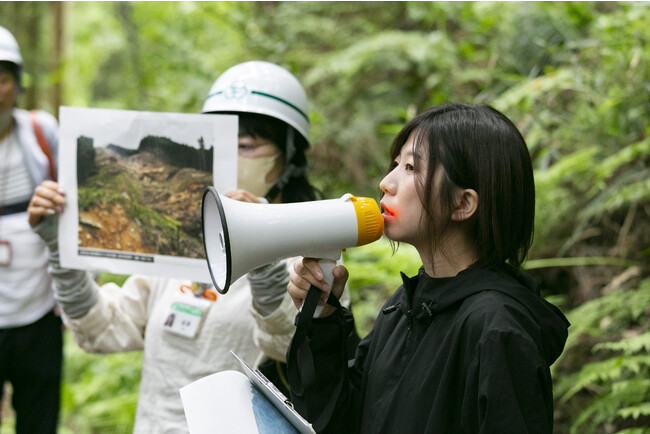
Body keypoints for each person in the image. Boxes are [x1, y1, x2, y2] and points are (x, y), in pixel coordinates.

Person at [27, 61, 331, 432]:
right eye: (221, 141)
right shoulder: (181, 241)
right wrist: (61, 251)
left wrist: (264, 255)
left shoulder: (311, 251)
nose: (231, 156)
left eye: (247, 144)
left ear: (289, 155)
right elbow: (103, 329)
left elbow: (296, 349)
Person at [286, 103, 571, 433]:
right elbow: (343, 422)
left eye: (410, 168)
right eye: (396, 164)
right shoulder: (404, 307)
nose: (386, 182)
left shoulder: (498, 329)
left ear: (462, 203)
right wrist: (323, 318)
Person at [0, 25, 61, 433]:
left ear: (17, 83)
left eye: (2, 78)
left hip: (39, 316)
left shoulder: (42, 133)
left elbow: (75, 209)